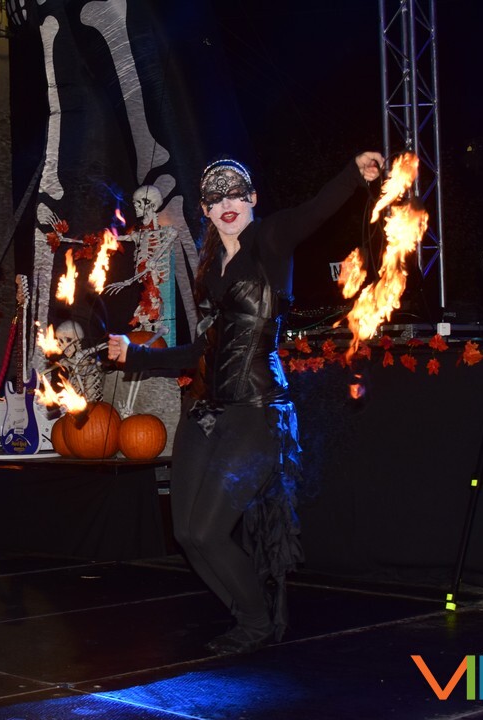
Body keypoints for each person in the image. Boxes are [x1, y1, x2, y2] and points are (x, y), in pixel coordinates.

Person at [107, 151, 385, 654]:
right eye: (215, 198)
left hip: (257, 410)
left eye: (236, 193)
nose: (227, 203)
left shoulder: (268, 242)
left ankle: (256, 624)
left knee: (209, 531)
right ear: (205, 210)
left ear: (252, 198)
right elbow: (203, 350)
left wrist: (352, 174)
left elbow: (313, 211)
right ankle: (245, 615)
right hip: (205, 411)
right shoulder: (212, 267)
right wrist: (136, 356)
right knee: (187, 533)